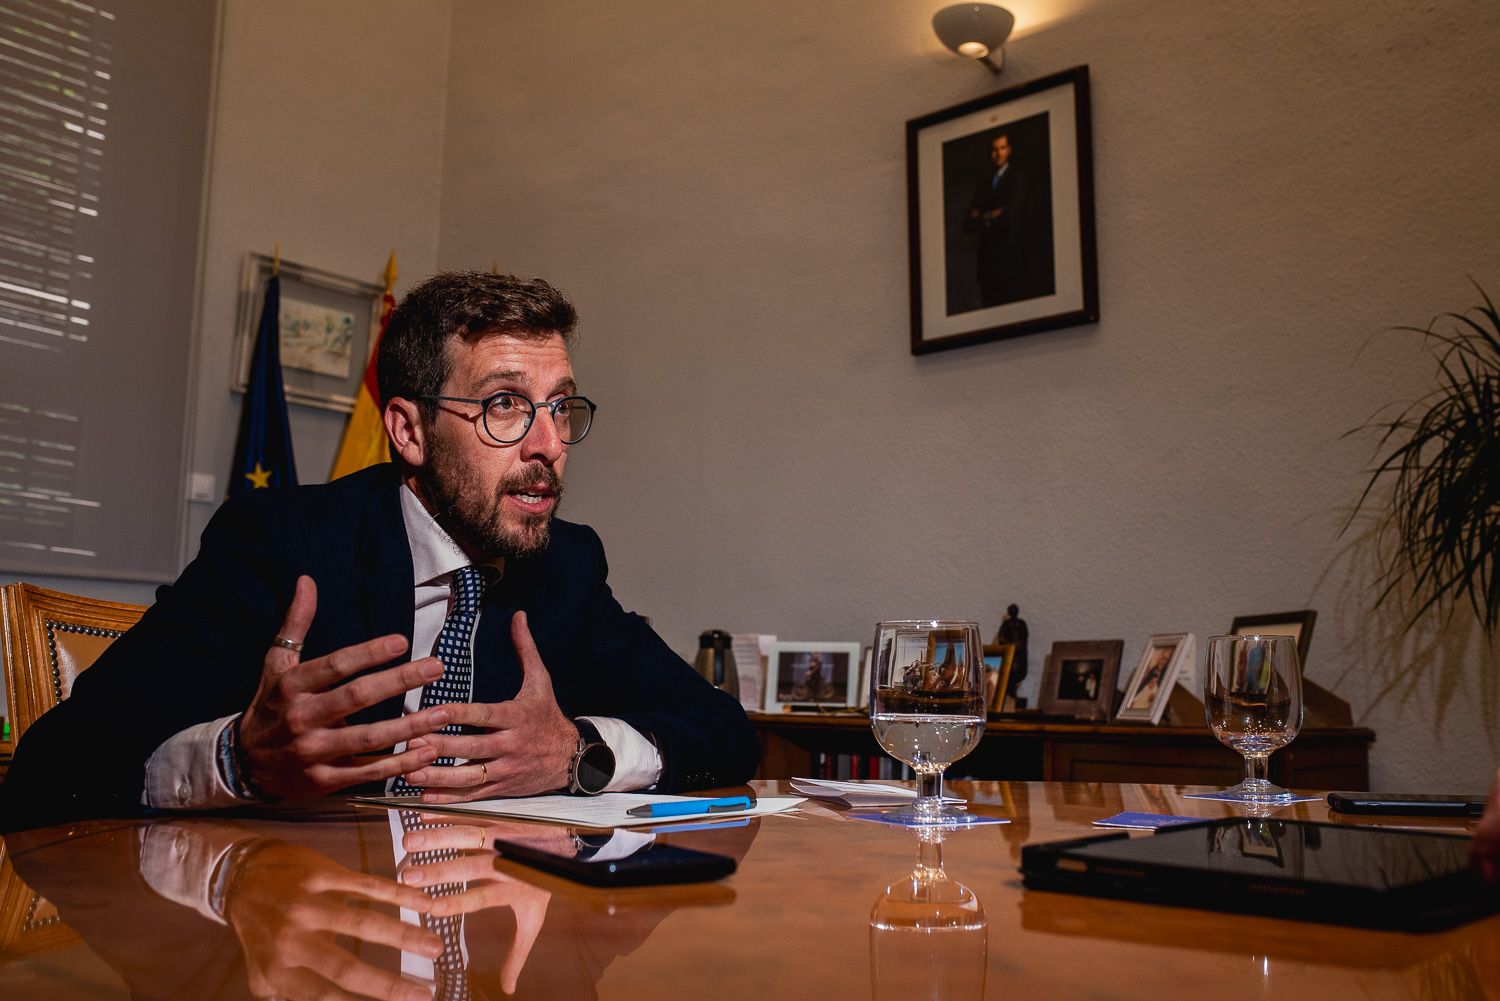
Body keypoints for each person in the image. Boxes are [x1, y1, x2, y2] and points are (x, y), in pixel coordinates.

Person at [0, 271, 760, 830]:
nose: (548, 444)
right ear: (408, 431)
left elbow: (723, 730)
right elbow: (52, 769)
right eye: (505, 405)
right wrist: (239, 759)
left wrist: (577, 752)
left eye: (560, 407)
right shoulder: (282, 546)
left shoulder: (566, 564)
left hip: (498, 939)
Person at [964, 132, 1027, 308]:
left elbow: (1009, 217)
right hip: (987, 266)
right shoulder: (983, 187)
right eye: (994, 150)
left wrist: (982, 216)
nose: (998, 154)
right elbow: (968, 225)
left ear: (1009, 150)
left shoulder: (1018, 177)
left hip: (1009, 263)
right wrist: (992, 215)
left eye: (1002, 148)